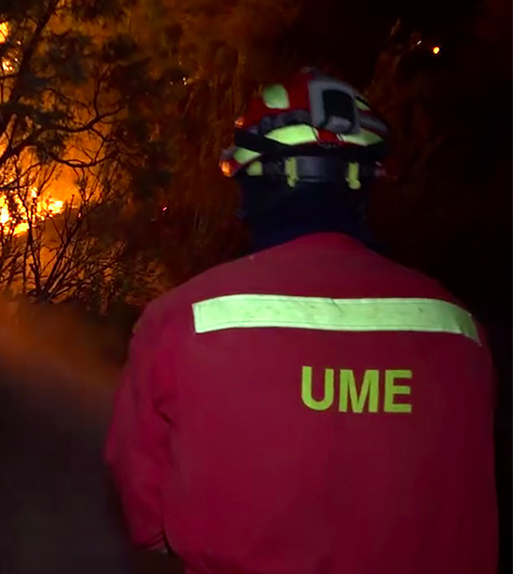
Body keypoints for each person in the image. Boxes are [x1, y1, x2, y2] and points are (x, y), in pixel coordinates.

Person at [104, 68, 498, 574]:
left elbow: (147, 518)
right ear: (365, 183)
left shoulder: (180, 322)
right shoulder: (461, 331)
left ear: (251, 182)